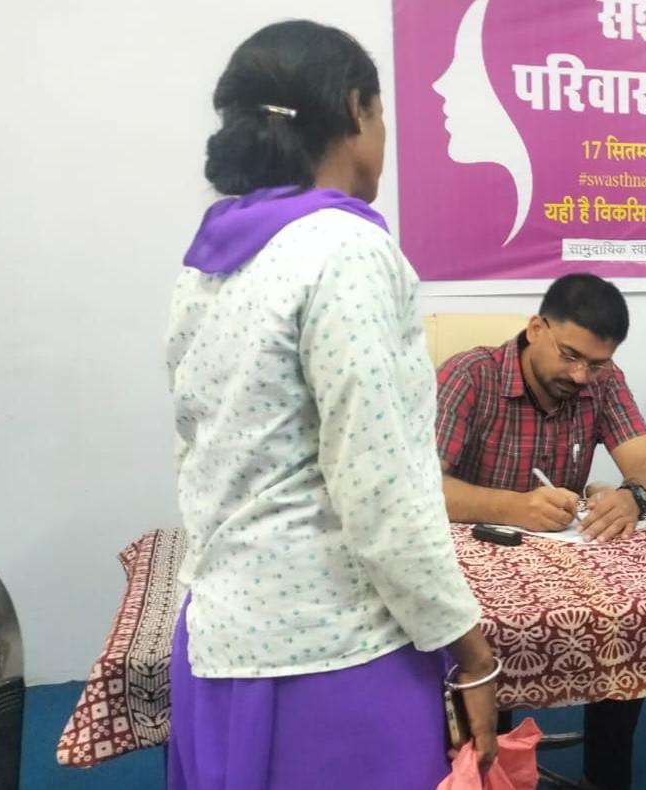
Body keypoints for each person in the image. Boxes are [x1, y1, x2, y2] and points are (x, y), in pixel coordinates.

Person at [165, 21, 499, 788]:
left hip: (218, 636)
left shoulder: (210, 259)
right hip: (331, 658)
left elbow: (198, 445)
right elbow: (384, 495)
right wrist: (470, 650)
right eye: (381, 113)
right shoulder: (347, 251)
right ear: (356, 110)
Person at [434, 272, 646, 790]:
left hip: (562, 572)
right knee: (483, 677)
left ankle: (604, 777)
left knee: (628, 628)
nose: (581, 375)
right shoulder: (469, 376)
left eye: (596, 363)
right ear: (536, 328)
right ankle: (491, 767)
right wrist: (514, 507)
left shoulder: (602, 380)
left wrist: (632, 495)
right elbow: (419, 488)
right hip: (475, 582)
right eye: (570, 356)